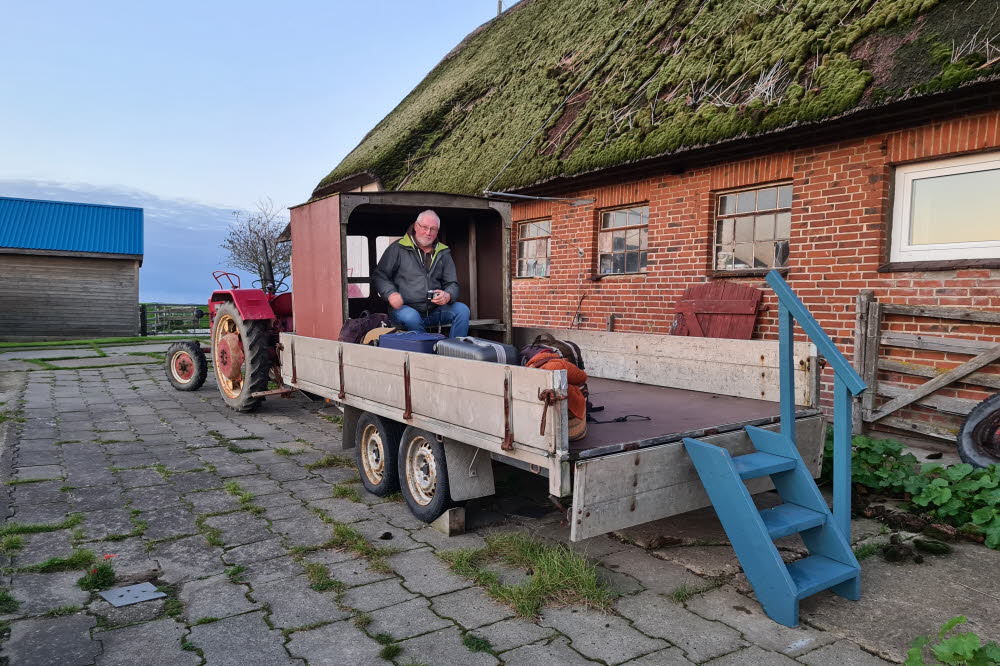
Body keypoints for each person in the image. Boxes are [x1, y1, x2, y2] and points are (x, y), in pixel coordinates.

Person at [373, 210, 470, 338]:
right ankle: (426, 354)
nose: (428, 232)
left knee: (462, 310)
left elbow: (452, 283)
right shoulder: (397, 248)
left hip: (434, 311)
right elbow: (379, 275)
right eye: (424, 227)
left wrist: (448, 295)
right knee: (411, 317)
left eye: (433, 229)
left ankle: (455, 351)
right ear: (415, 226)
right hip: (404, 310)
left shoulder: (444, 252)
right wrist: (391, 293)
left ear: (437, 231)